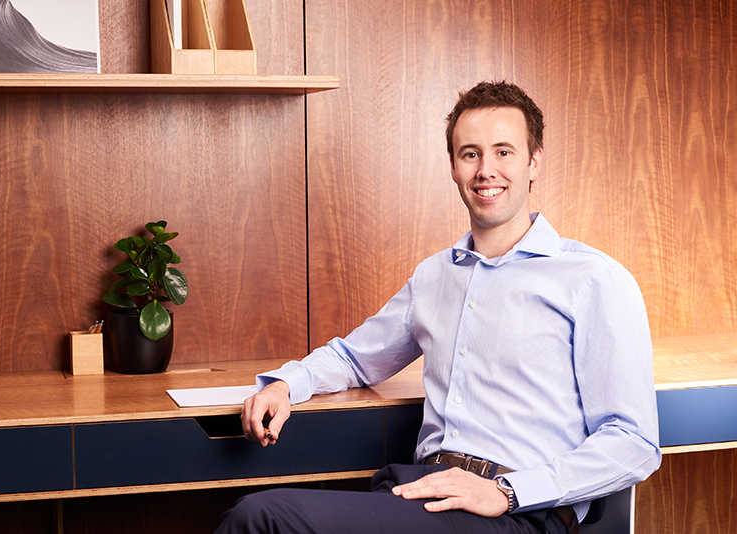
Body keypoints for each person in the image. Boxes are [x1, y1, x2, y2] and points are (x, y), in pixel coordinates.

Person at [214, 81, 661, 534]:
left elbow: (634, 443)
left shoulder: (593, 279)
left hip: (518, 512)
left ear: (534, 162)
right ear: (453, 167)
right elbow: (355, 357)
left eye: (504, 152)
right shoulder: (433, 276)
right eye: (471, 154)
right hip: (425, 490)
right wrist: (284, 386)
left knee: (262, 519)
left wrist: (508, 492)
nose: (487, 170)